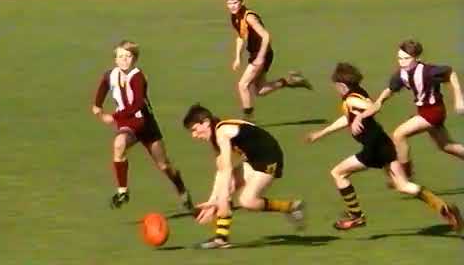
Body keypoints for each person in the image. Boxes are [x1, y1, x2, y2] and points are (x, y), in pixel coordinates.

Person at [305, 62, 462, 232]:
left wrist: (361, 117)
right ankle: (444, 208)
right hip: (384, 145)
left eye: (336, 86)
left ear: (342, 85)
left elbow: (371, 107)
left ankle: (356, 216)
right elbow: (347, 118)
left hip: (373, 149)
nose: (335, 89)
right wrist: (322, 133)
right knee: (403, 185)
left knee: (338, 173)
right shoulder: (357, 92)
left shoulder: (351, 99)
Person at [182, 103, 305, 249]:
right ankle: (221, 239)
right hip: (253, 158)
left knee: (247, 201)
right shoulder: (217, 137)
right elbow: (221, 171)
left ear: (206, 122)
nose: (194, 135)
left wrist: (221, 198)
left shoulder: (222, 132)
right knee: (226, 190)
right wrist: (213, 200)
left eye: (195, 130)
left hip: (269, 157)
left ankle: (290, 207)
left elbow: (227, 169)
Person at [91, 40, 192, 210]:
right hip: (127, 123)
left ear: (134, 59)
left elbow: (138, 104)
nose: (124, 60)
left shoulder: (138, 77)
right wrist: (97, 106)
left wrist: (114, 117)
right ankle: (123, 191)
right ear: (115, 59)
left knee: (164, 165)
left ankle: (181, 189)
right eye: (120, 56)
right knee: (119, 144)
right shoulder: (111, 75)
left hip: (144, 123)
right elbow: (103, 85)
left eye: (128, 56)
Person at [351, 39, 464, 179]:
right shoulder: (402, 74)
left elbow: (450, 73)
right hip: (423, 111)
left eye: (406, 58)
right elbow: (390, 89)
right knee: (447, 146)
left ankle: (405, 175)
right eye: (399, 58)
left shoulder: (428, 71)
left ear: (417, 58)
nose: (402, 62)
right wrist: (379, 102)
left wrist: (459, 98)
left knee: (399, 134)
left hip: (434, 112)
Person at [224, 0, 313, 122]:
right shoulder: (235, 17)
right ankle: (289, 81)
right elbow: (241, 37)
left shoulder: (249, 17)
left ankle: (248, 119)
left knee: (242, 85)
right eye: (229, 3)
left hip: (262, 53)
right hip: (257, 53)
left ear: (241, 2)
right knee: (260, 91)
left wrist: (260, 57)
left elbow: (266, 36)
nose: (232, 6)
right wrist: (237, 57)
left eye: (235, 3)